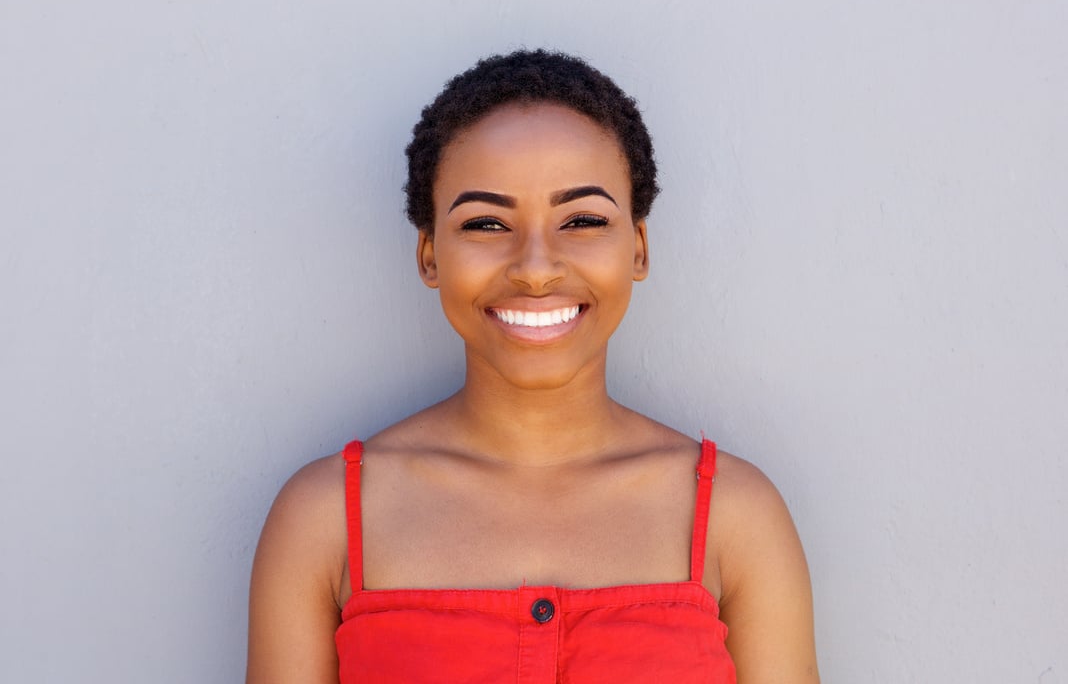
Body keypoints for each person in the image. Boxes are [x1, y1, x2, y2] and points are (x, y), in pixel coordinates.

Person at [246, 49, 819, 683]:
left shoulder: (736, 517)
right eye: (487, 222)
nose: (536, 267)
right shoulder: (323, 517)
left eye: (582, 220)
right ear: (430, 253)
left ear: (639, 245)